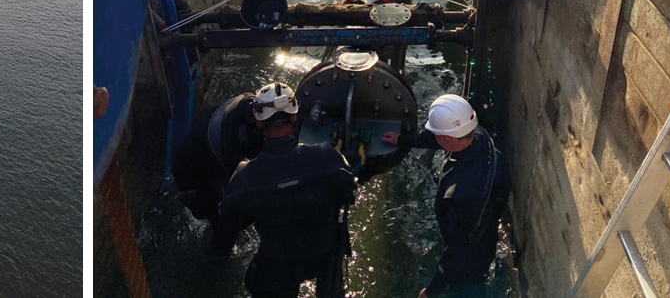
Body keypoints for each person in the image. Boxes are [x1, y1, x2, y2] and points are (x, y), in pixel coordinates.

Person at [214, 82, 355, 298]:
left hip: (277, 263)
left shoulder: (245, 177)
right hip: (323, 254)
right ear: (294, 117)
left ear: (260, 124)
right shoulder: (329, 158)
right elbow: (347, 193)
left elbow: (232, 220)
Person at [382, 94, 511, 297]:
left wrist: (431, 290)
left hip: (471, 254)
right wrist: (402, 140)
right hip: (487, 229)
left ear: (448, 140)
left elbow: (458, 250)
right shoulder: (479, 136)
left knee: (464, 286)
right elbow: (437, 139)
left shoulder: (460, 195)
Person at [171, 91, 261, 225]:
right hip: (192, 169)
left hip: (201, 137)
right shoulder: (230, 145)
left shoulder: (251, 104)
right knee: (222, 219)